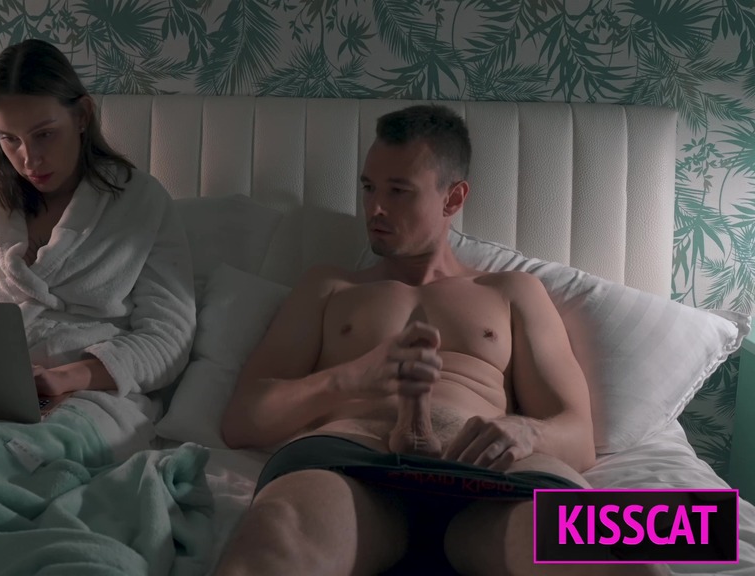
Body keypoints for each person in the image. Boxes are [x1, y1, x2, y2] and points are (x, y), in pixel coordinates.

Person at [215, 105, 667, 576]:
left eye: (398, 191)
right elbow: (242, 422)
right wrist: (350, 378)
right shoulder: (330, 288)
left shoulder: (512, 291)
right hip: (351, 467)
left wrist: (528, 432)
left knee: (626, 564)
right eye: (368, 187)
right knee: (273, 546)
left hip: (494, 479)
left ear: (453, 198)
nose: (375, 208)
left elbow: (579, 436)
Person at [0, 39, 195, 408]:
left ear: (82, 116)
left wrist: (64, 379)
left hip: (88, 397)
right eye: (10, 139)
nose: (29, 159)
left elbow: (169, 338)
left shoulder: (139, 202)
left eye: (44, 134)